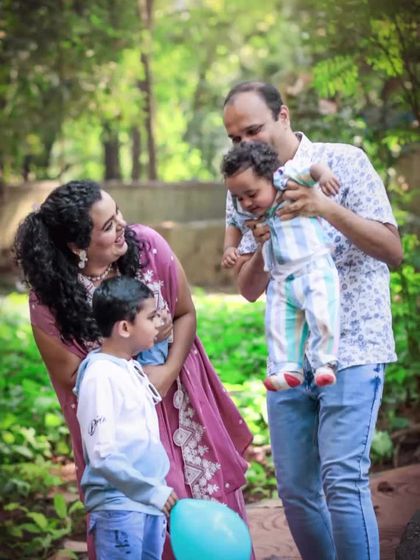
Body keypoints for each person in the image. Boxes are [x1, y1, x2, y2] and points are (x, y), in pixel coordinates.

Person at [14, 180, 253, 560]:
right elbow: (74, 378)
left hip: (178, 399)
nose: (122, 225)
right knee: (148, 519)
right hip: (121, 421)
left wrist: (166, 372)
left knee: (204, 503)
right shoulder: (49, 300)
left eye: (119, 212)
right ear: (77, 245)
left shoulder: (148, 247)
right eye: (108, 225)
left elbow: (185, 313)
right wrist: (132, 352)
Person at [222, 81, 403, 560]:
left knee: (342, 480)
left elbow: (392, 250)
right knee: (296, 493)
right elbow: (247, 289)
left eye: (253, 130)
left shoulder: (343, 161)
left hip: (353, 348)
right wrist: (260, 245)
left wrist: (326, 207)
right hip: (289, 359)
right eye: (235, 138)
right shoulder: (242, 185)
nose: (244, 144)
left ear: (283, 116)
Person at [221, 140, 340, 389]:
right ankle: (288, 369)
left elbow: (313, 169)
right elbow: (234, 222)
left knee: (322, 314)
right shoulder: (248, 209)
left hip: (313, 267)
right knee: (278, 323)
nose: (246, 203)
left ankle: (324, 363)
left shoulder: (286, 179)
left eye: (252, 194)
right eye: (239, 197)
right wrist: (230, 248)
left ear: (270, 177)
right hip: (281, 277)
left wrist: (324, 175)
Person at [74, 276, 178, 559]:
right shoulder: (99, 375)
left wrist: (154, 492)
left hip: (148, 504)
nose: (158, 323)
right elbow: (102, 454)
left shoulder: (129, 368)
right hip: (119, 508)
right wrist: (150, 491)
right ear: (124, 327)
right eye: (151, 317)